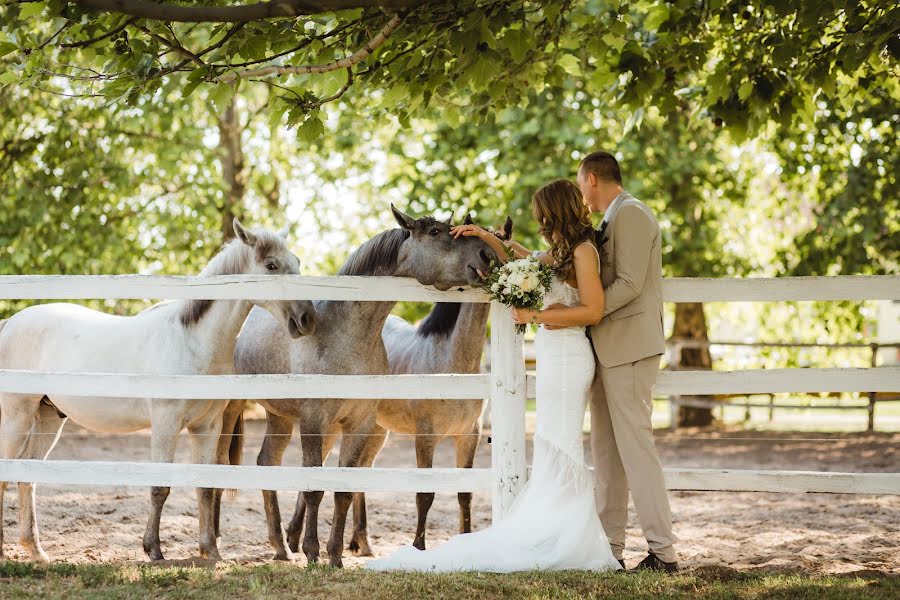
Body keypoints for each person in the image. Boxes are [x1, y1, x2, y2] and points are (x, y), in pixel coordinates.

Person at [365, 179, 621, 573]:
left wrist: (537, 316)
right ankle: (555, 531)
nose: (539, 221)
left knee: (564, 445)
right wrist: (486, 237)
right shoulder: (565, 253)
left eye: (543, 214)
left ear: (557, 211)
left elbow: (593, 310)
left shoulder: (584, 252)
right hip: (555, 358)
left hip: (570, 357)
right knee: (552, 444)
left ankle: (569, 537)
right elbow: (527, 260)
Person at [577, 151, 678, 571]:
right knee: (606, 456)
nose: (580, 190)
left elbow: (632, 283)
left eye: (581, 181)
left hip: (631, 350)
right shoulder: (608, 220)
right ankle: (609, 550)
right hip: (607, 349)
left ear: (594, 178)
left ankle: (663, 553)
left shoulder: (632, 214)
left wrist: (591, 308)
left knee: (637, 452)